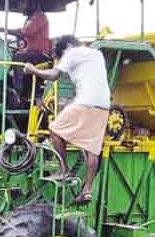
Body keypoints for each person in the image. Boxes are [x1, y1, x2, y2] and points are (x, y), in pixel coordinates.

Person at [24, 35, 111, 205]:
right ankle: (87, 190)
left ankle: (64, 169)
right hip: (103, 105)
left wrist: (33, 70)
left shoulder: (72, 52)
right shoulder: (96, 54)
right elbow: (88, 79)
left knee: (55, 129)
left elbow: (54, 75)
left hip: (86, 102)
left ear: (66, 47)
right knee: (92, 149)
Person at [0, 0, 52, 98]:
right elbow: (24, 37)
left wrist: (2, 29)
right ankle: (14, 89)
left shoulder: (40, 17)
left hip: (41, 55)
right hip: (31, 54)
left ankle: (17, 91)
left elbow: (24, 32)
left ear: (32, 3)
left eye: (23, 3)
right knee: (12, 55)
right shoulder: (30, 19)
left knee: (18, 57)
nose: (20, 7)